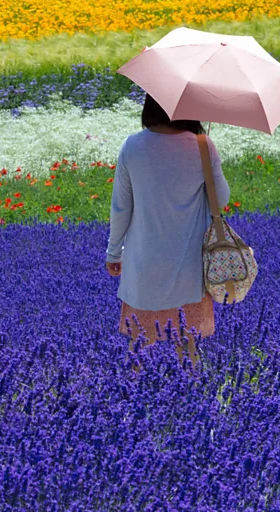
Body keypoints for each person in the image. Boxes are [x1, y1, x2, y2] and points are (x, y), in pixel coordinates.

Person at [106, 94, 230, 369]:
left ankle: (129, 402)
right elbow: (220, 200)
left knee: (138, 343)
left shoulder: (132, 147)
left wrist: (114, 252)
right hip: (188, 265)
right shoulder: (201, 146)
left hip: (143, 265)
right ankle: (192, 402)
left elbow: (121, 208)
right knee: (188, 344)